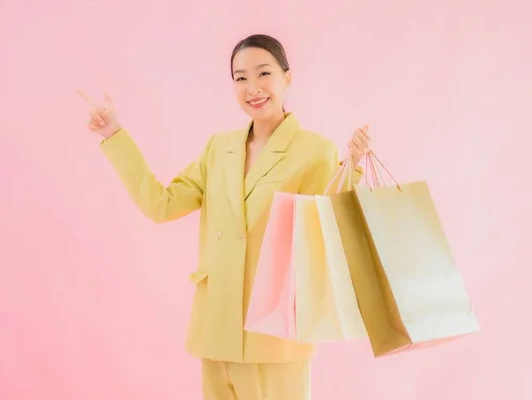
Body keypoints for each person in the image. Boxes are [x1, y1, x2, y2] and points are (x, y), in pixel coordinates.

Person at [78, 33, 370, 400]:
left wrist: (353, 168)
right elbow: (161, 204)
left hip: (274, 337)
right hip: (215, 330)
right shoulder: (219, 147)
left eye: (264, 74)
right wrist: (114, 134)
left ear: (287, 78)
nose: (253, 88)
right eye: (241, 77)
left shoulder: (315, 150)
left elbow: (329, 226)